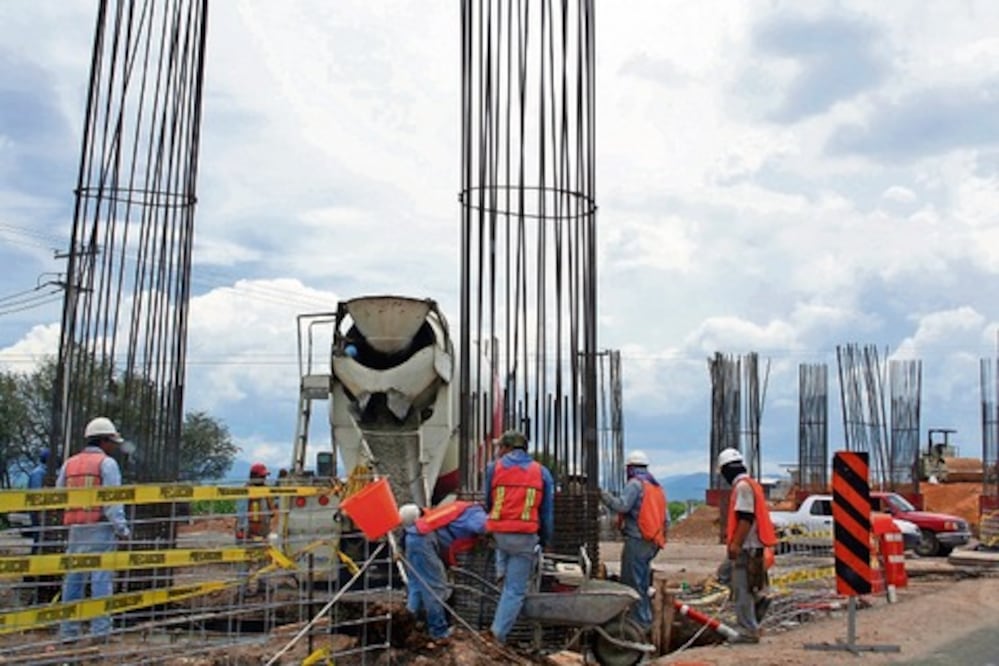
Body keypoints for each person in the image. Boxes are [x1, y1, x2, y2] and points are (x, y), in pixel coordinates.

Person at [56, 417, 131, 642]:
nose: (113, 447)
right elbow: (112, 502)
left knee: (73, 580)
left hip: (76, 528)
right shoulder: (107, 464)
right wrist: (122, 530)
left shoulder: (70, 463)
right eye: (112, 442)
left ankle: (68, 632)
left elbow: (59, 494)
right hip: (100, 527)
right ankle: (101, 632)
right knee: (101, 580)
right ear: (104, 441)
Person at [483, 429, 555, 644]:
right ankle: (497, 635)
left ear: (506, 448)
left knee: (506, 582)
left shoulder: (493, 468)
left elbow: (489, 501)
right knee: (515, 590)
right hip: (524, 537)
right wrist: (546, 540)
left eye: (500, 448)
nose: (498, 452)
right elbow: (546, 513)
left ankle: (501, 575)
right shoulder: (541, 472)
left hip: (498, 533)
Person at [398, 500, 488, 643]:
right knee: (435, 588)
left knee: (417, 586)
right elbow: (483, 526)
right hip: (423, 542)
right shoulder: (476, 513)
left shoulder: (461, 507)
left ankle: (405, 628)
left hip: (413, 538)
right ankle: (438, 632)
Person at [601, 449, 668, 630]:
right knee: (643, 582)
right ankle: (645, 619)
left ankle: (639, 623)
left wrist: (603, 495)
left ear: (629, 468)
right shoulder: (656, 487)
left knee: (633, 583)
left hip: (638, 539)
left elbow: (622, 506)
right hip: (653, 540)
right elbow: (666, 519)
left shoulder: (635, 484)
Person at [716, 447, 777, 643]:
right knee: (725, 574)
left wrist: (736, 544)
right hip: (754, 545)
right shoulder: (751, 484)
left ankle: (747, 631)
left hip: (747, 546)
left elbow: (745, 518)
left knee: (742, 588)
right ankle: (759, 600)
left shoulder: (742, 487)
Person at [235, 462, 278, 595]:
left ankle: (263, 584)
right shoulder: (245, 492)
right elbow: (241, 513)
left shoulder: (265, 491)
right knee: (244, 561)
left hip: (262, 532)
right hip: (248, 533)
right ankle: (242, 589)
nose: (264, 479)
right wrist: (243, 531)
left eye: (264, 476)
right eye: (262, 476)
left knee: (264, 559)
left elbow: (271, 509)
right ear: (254, 477)